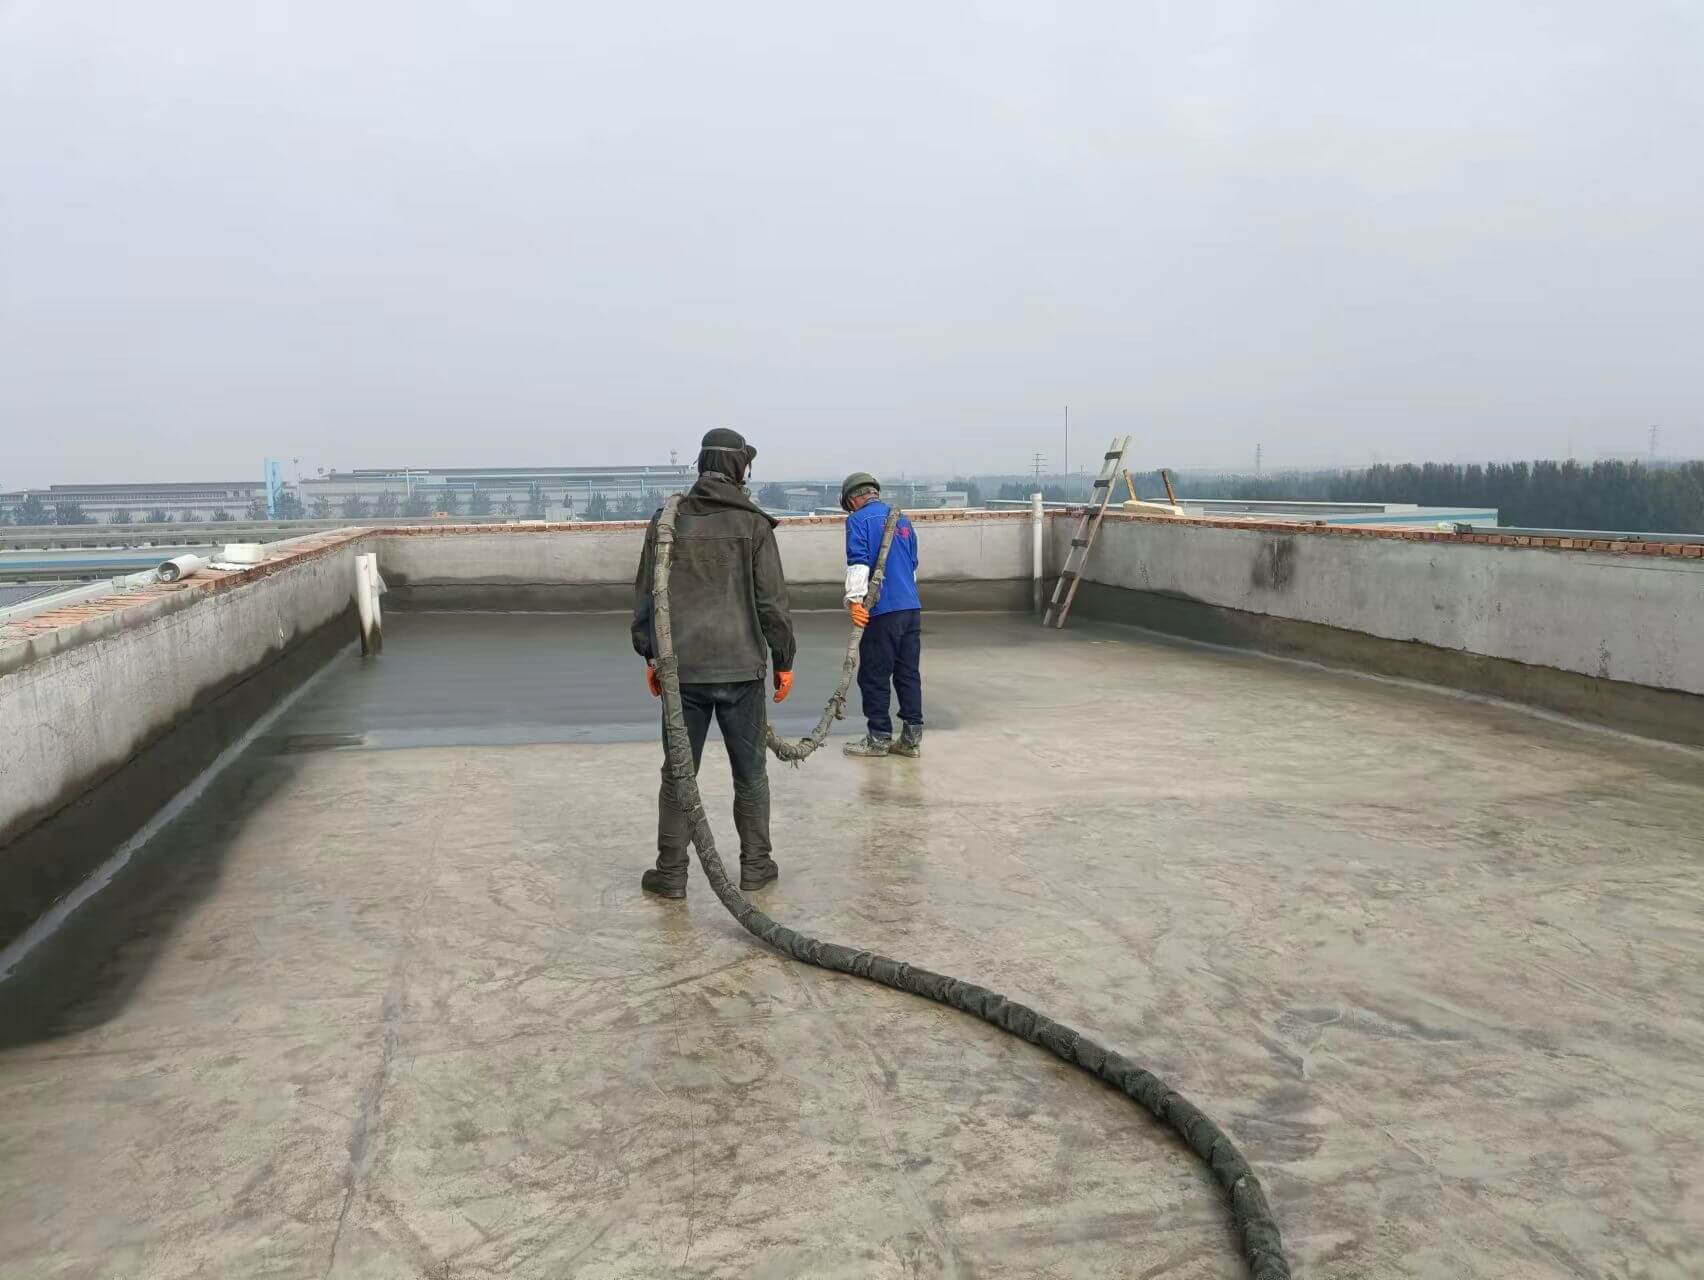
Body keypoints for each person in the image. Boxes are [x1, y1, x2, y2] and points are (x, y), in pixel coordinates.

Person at [631, 428, 796, 898]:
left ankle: (671, 873)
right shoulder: (754, 525)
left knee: (679, 774)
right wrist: (783, 659)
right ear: (739, 468)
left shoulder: (666, 521)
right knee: (751, 773)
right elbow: (771, 602)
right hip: (742, 669)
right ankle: (756, 866)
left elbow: (646, 596)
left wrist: (650, 654)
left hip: (682, 671)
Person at [840, 472, 923, 758]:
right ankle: (911, 740)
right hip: (911, 608)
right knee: (907, 673)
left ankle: (878, 738)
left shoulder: (857, 520)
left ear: (852, 500)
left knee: (874, 675)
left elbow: (859, 561)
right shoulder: (903, 519)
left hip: (881, 610)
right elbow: (912, 564)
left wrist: (855, 601)